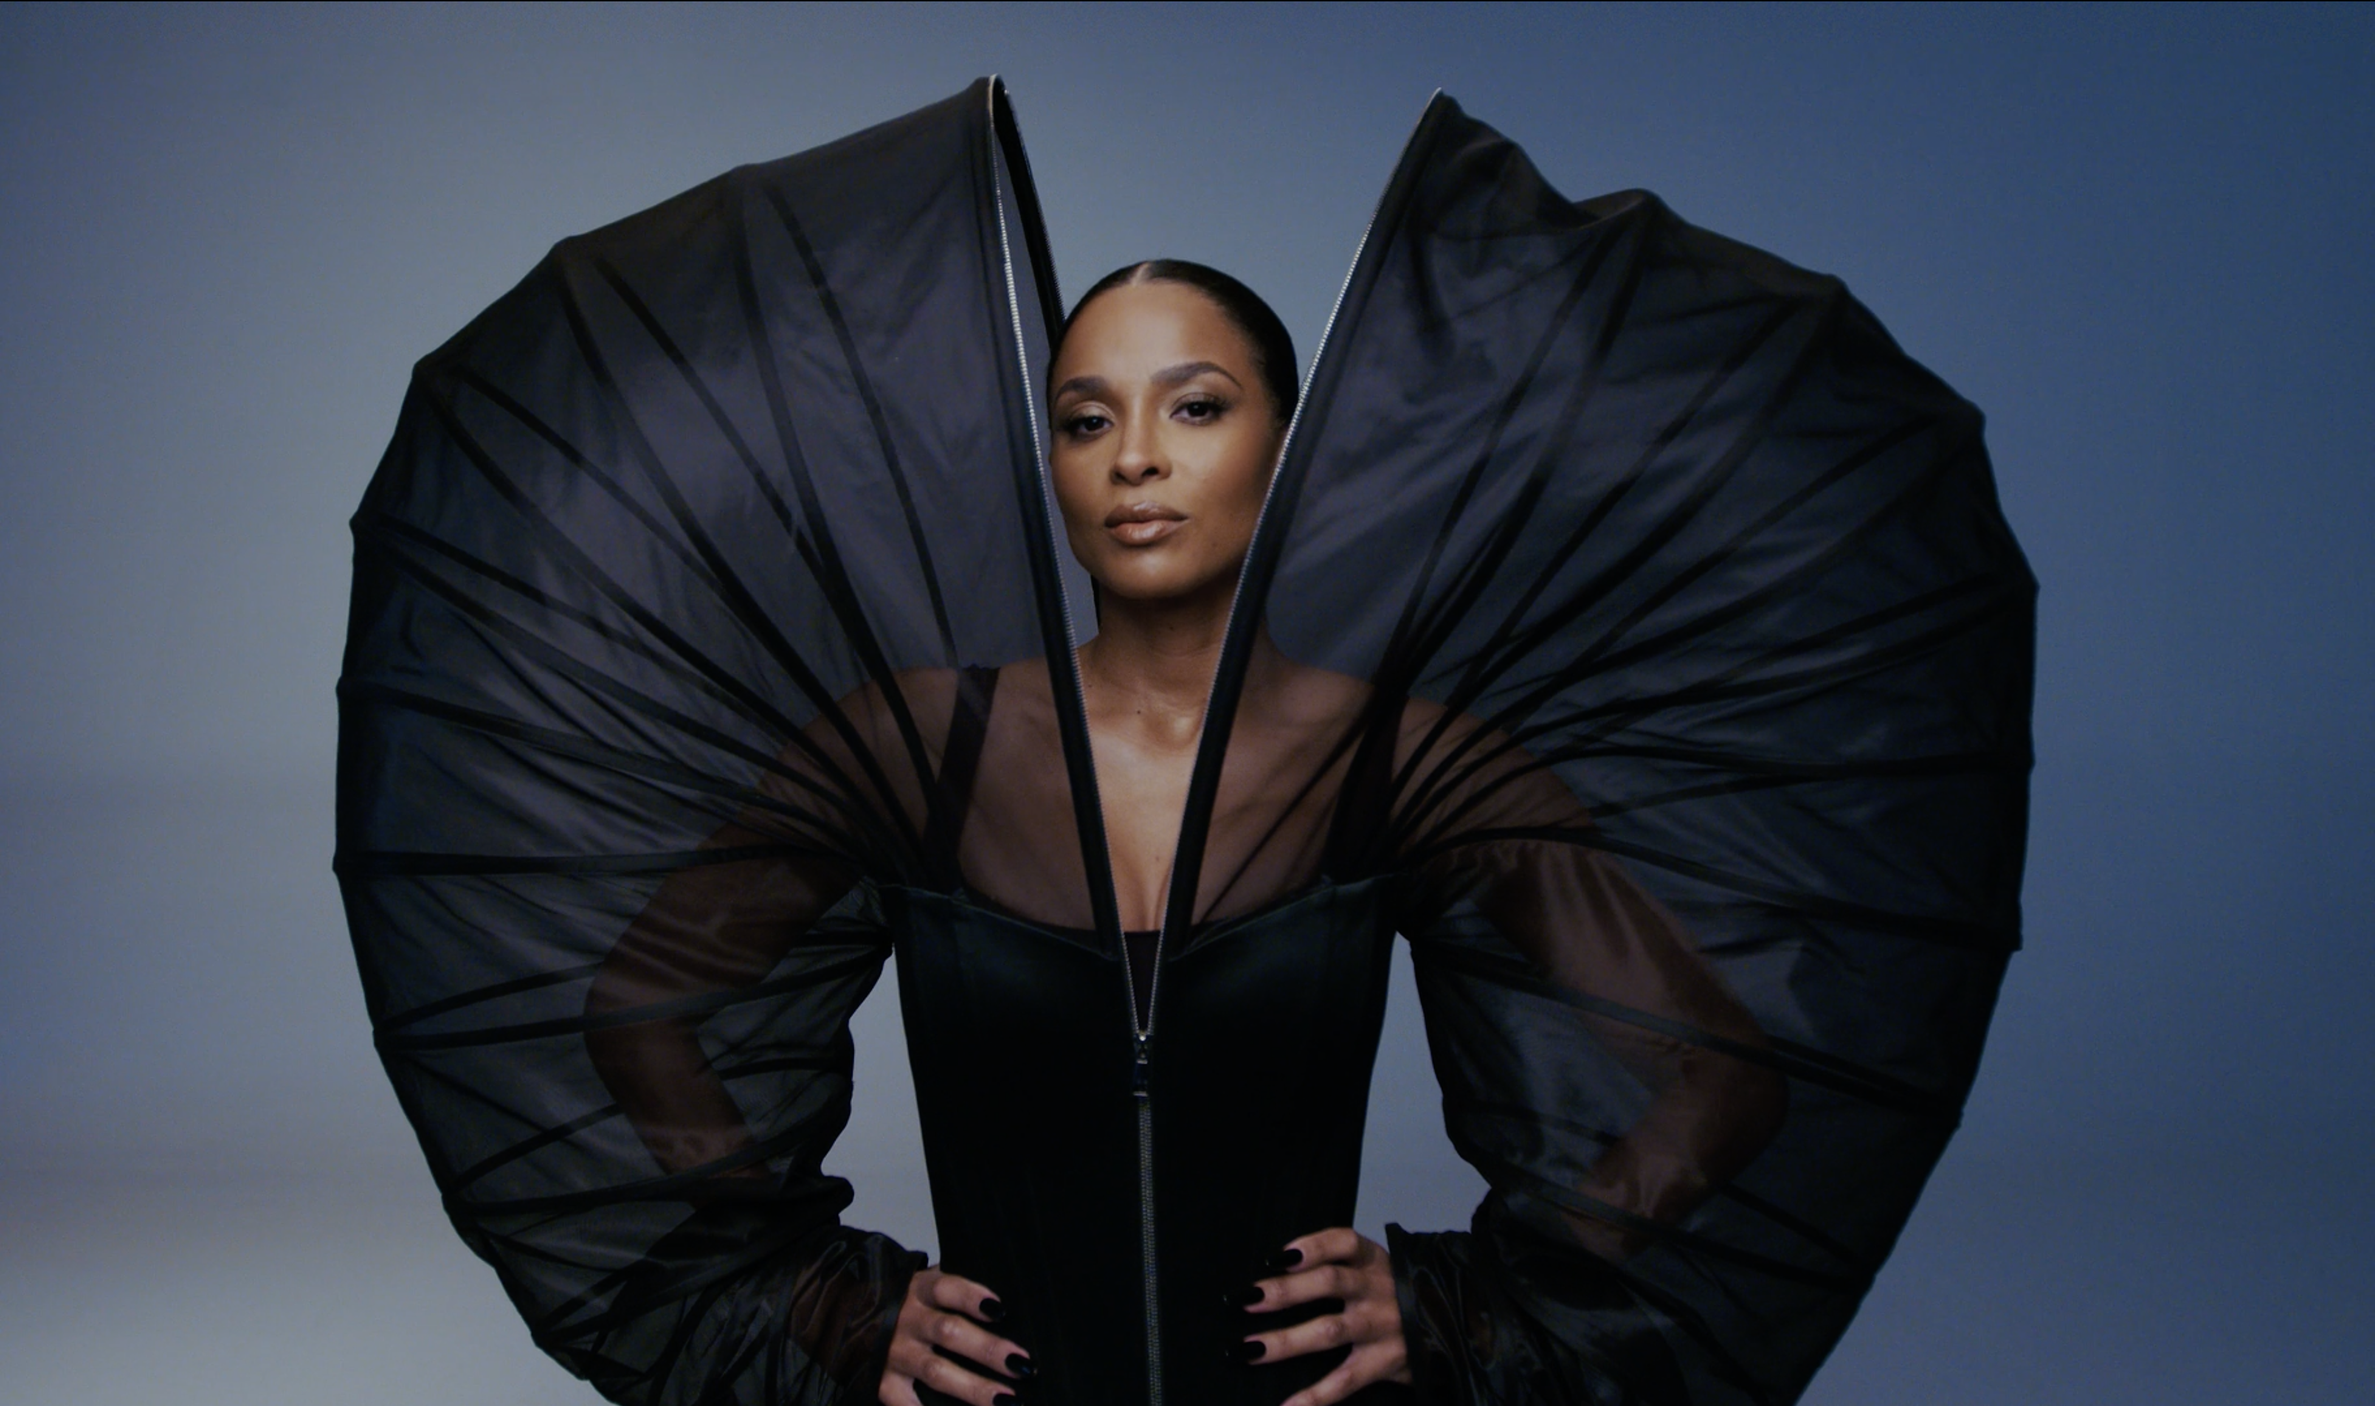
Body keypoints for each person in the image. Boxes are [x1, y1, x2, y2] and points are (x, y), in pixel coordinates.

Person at [338, 79, 2031, 1406]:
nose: (1134, 457)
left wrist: (1454, 1303)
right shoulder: (922, 739)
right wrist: (828, 1301)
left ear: (1288, 455)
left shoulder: (1401, 755)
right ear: (1050, 472)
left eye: (1194, 406)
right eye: (1086, 418)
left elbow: (1721, 1075)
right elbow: (639, 1008)